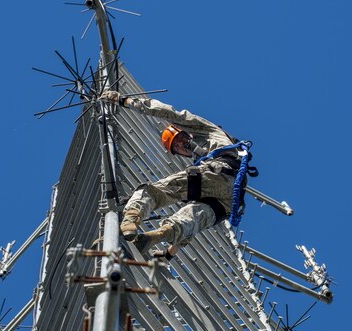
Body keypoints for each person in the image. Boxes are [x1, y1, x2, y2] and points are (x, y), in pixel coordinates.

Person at [100, 90, 257, 259]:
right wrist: (169, 253)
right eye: (176, 148)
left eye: (180, 139)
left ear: (185, 131)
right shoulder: (205, 161)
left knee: (150, 192)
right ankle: (155, 237)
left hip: (219, 171)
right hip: (228, 201)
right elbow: (194, 221)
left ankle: (130, 220)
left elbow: (172, 114)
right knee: (189, 218)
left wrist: (125, 101)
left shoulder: (207, 132)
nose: (182, 146)